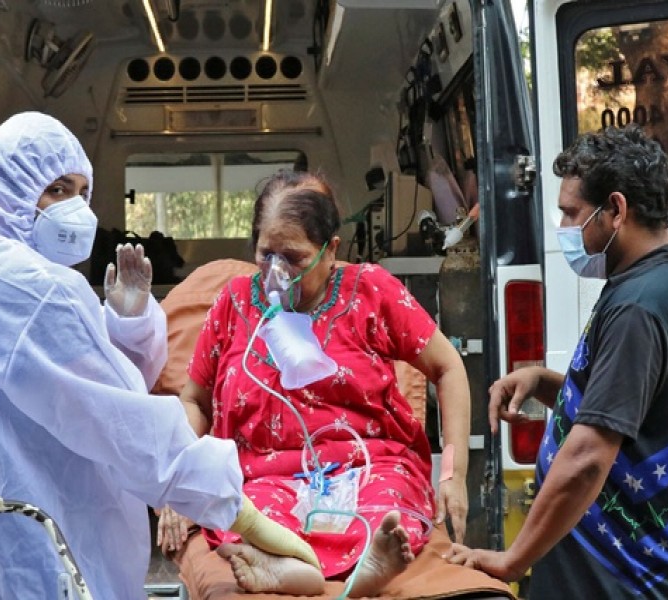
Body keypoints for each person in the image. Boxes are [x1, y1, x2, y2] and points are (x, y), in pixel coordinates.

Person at [0, 111, 317, 599]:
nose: (72, 207)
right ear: (9, 190)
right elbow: (125, 421)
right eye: (55, 190)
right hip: (48, 543)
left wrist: (128, 321)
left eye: (79, 192)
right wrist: (237, 511)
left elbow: (82, 384)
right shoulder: (35, 288)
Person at [444, 126, 668, 598]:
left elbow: (590, 457)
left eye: (571, 213)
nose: (564, 228)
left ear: (615, 209)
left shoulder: (640, 307)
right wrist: (547, 383)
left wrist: (514, 559)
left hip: (623, 577)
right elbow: (634, 406)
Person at [174, 170, 472, 597]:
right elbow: (195, 401)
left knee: (386, 513)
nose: (276, 273)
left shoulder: (370, 292)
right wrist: (179, 482)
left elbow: (448, 368)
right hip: (266, 475)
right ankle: (287, 567)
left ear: (331, 250)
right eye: (265, 255)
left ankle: (364, 563)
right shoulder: (235, 302)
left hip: (369, 467)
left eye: (292, 258)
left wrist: (452, 475)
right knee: (254, 518)